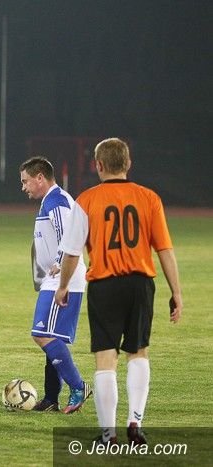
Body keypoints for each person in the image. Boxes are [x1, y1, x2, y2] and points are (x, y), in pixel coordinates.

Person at [55, 138, 183, 445]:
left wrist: (63, 286)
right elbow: (164, 249)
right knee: (138, 352)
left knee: (105, 357)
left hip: (104, 284)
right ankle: (135, 423)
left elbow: (71, 252)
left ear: (98, 165)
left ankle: (108, 434)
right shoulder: (149, 198)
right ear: (128, 164)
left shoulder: (86, 200)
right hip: (140, 284)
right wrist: (176, 292)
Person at [19, 157, 91, 414]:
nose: (24, 187)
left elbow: (68, 235)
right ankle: (51, 397)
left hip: (63, 278)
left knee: (41, 333)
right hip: (60, 277)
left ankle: (78, 386)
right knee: (54, 337)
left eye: (26, 181)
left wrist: (60, 265)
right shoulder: (51, 200)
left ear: (40, 177)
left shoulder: (56, 200)